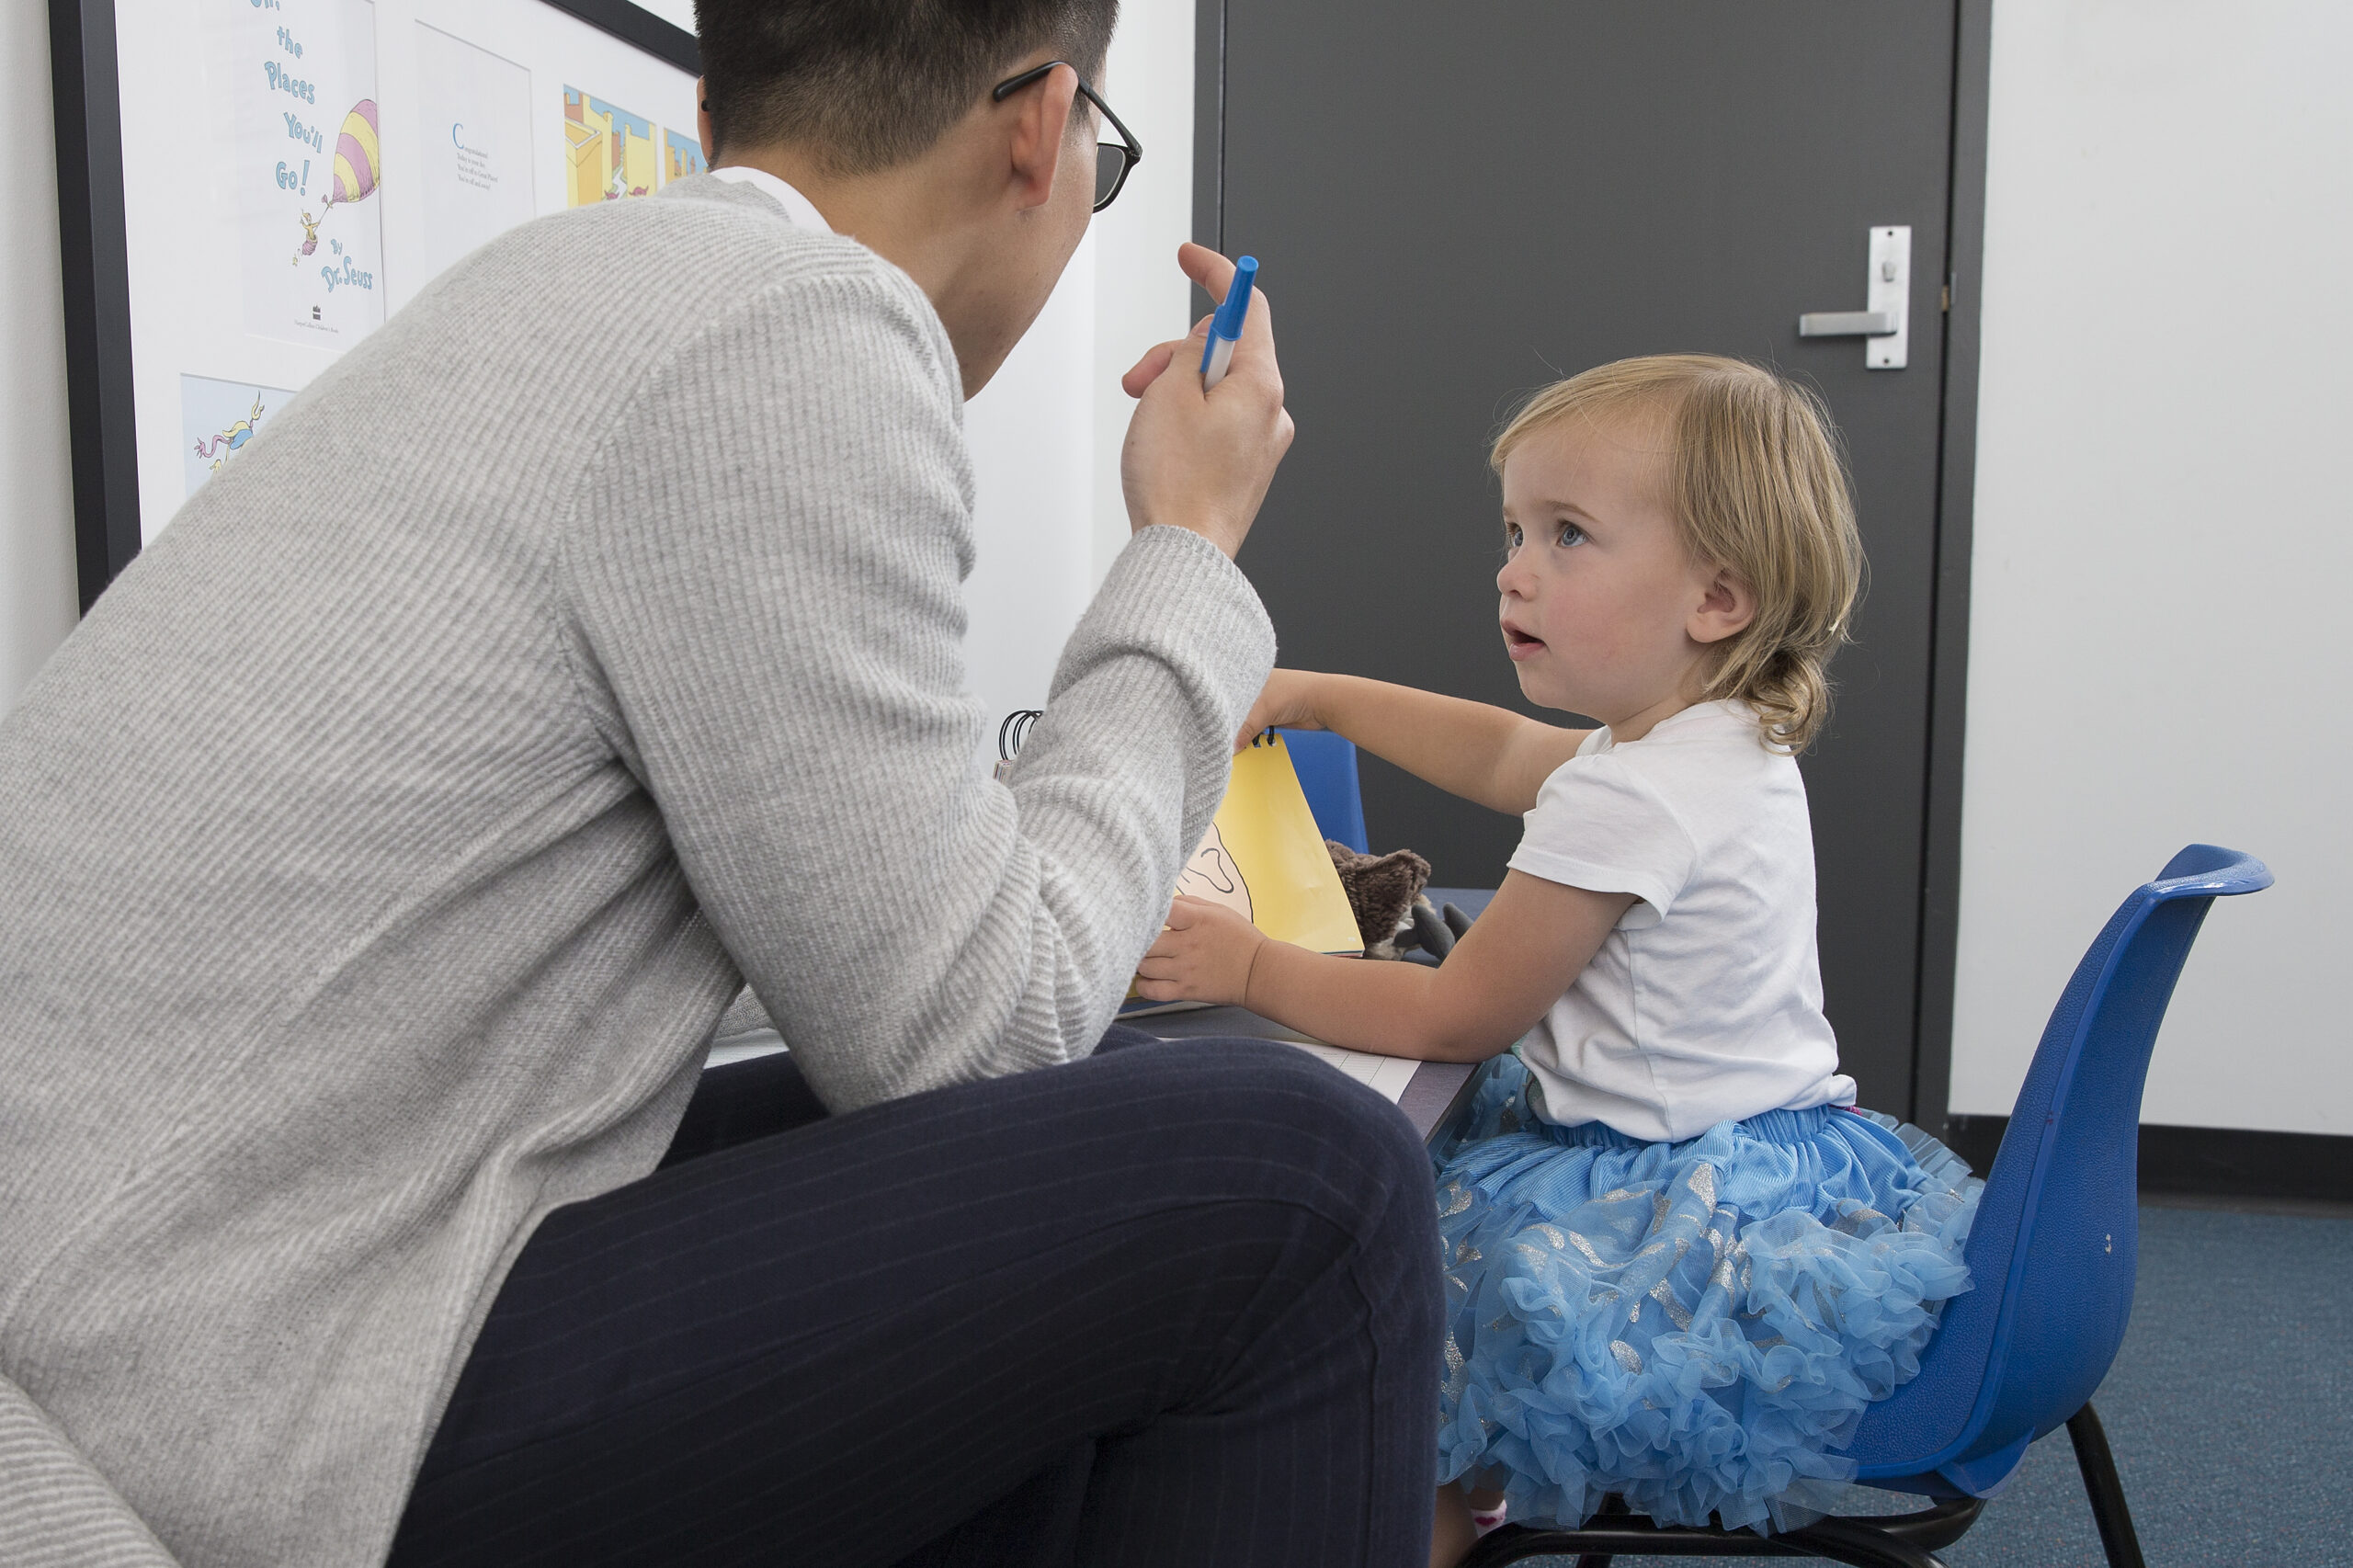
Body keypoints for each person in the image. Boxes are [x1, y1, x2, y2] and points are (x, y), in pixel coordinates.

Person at [0, 2, 1443, 1564]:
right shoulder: (793, 326)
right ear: (1043, 129)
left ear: (713, 109)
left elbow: (893, 976)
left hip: (187, 1270)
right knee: (1315, 1192)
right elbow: (983, 1029)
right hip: (226, 1374)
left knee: (1074, 1167)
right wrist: (1190, 544)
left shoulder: (572, 288)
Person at [1137, 355, 1984, 1563]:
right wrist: (1321, 694)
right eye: (1516, 529)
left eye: (1569, 535)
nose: (1514, 569)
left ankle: (1431, 1531)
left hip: (1653, 1194)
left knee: (1393, 1303)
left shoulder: (1638, 794)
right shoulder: (1714, 738)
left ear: (1718, 597)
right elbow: (1502, 754)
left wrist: (1249, 965)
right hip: (1768, 1159)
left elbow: (1456, 1013)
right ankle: (1478, 1501)